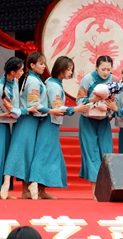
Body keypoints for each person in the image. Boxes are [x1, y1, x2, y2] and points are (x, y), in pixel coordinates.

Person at [28, 56, 89, 198]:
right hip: (49, 122)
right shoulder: (54, 85)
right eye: (68, 69)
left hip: (51, 122)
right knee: (44, 154)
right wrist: (76, 108)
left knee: (48, 154)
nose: (70, 72)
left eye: (71, 70)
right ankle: (34, 182)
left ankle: (41, 189)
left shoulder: (52, 82)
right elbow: (58, 107)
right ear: (60, 69)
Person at [3, 52, 58, 200]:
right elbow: (34, 105)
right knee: (23, 154)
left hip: (31, 120)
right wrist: (52, 111)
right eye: (41, 63)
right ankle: (17, 189)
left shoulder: (35, 79)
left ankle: (28, 190)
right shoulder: (33, 81)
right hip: (27, 120)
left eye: (44, 63)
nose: (44, 66)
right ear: (32, 65)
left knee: (28, 155)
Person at [76, 55, 117, 199]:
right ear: (96, 67)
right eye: (102, 69)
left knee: (106, 151)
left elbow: (116, 100)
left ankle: (106, 187)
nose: (106, 72)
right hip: (88, 120)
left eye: (108, 69)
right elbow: (79, 100)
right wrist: (94, 99)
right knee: (91, 153)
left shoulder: (114, 80)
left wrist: (111, 108)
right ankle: (95, 191)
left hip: (104, 120)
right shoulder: (87, 79)